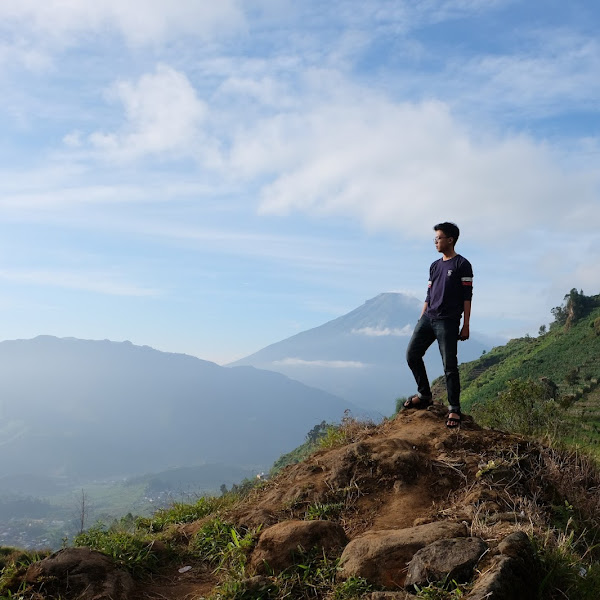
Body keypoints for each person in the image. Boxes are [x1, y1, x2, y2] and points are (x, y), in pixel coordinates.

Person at [403, 222, 473, 428]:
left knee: (449, 366)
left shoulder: (462, 264)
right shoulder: (434, 265)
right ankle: (424, 395)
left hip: (448, 321)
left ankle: (454, 409)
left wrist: (466, 324)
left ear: (450, 239)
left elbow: (467, 297)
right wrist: (422, 317)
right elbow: (429, 294)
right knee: (412, 355)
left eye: (439, 238)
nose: (435, 242)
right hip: (428, 318)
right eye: (435, 238)